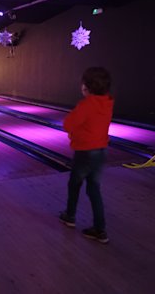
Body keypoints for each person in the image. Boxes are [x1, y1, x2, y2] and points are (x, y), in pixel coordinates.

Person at [59, 67, 114, 244]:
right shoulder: (108, 101)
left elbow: (68, 124)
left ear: (86, 86)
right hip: (101, 152)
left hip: (85, 153)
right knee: (94, 189)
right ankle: (100, 229)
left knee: (74, 184)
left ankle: (70, 216)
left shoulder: (86, 104)